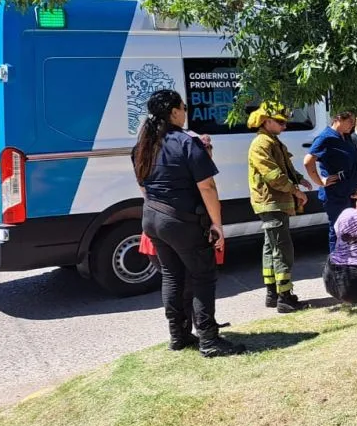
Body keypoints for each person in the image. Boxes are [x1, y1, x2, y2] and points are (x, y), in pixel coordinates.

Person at [132, 89, 246, 357]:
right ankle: (209, 340)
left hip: (152, 217)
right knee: (202, 275)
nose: (185, 111)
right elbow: (207, 186)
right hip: (181, 221)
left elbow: (142, 185)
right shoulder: (186, 142)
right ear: (173, 112)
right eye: (183, 107)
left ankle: (179, 336)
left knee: (172, 276)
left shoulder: (143, 145)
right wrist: (217, 224)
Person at [248, 102, 312, 313]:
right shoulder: (261, 144)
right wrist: (296, 191)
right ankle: (285, 297)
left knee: (271, 247)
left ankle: (272, 293)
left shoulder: (272, 141)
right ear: (266, 121)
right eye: (280, 122)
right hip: (271, 202)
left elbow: (285, 167)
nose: (285, 126)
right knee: (282, 249)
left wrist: (300, 179)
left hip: (274, 202)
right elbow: (273, 175)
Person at [304, 111, 357, 253]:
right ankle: (336, 265)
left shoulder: (346, 137)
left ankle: (347, 263)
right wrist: (320, 181)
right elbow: (308, 161)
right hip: (335, 193)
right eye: (350, 121)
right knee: (337, 228)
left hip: (349, 191)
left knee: (349, 229)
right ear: (338, 119)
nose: (352, 125)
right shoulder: (326, 138)